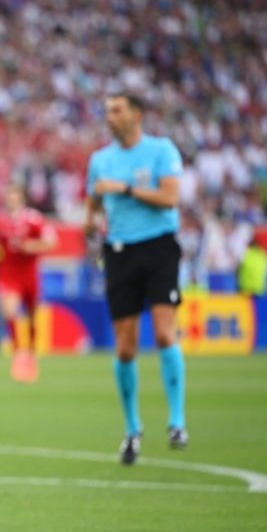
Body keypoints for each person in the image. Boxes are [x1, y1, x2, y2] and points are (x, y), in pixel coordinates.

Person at [85, 93, 188, 465]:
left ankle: (177, 421)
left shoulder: (161, 150)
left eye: (117, 110)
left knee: (164, 333)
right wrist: (89, 221)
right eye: (108, 110)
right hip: (119, 253)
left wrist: (124, 189)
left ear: (136, 115)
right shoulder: (100, 160)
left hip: (159, 248)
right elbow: (94, 201)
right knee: (125, 348)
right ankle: (132, 429)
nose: (110, 116)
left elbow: (170, 197)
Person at [0, 184, 57, 382]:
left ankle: (31, 352)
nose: (11, 200)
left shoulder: (33, 219)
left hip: (29, 275)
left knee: (32, 316)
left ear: (21, 198)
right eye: (8, 196)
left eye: (15, 197)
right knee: (9, 312)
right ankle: (18, 354)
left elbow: (52, 241)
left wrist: (32, 246)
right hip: (8, 275)